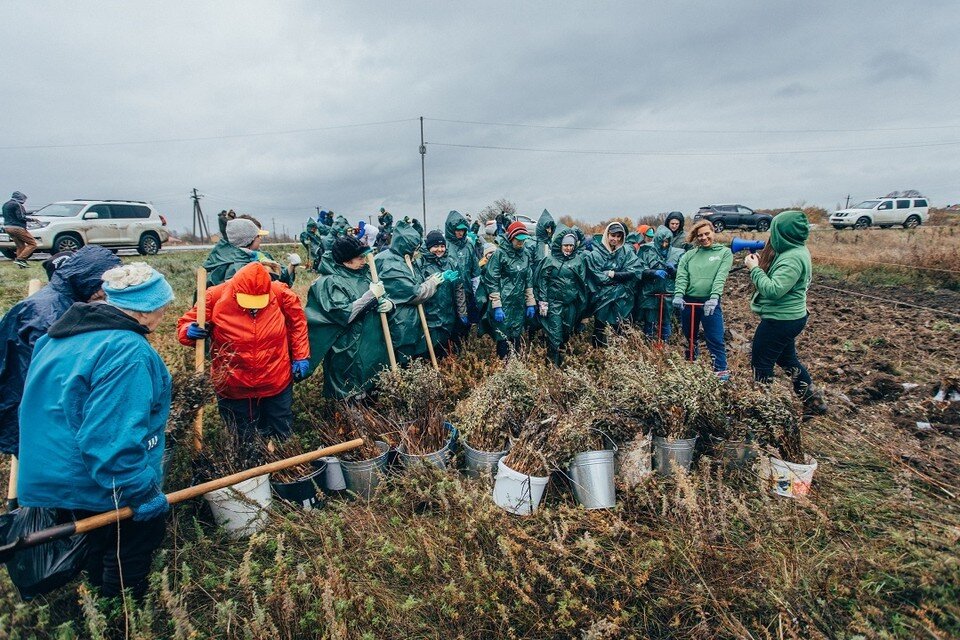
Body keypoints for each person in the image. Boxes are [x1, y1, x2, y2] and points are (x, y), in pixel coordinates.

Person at [17, 263, 174, 598]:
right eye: (162, 307)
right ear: (145, 310)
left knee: (97, 546)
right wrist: (140, 491)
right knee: (128, 551)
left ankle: (98, 594)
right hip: (98, 482)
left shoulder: (59, 336)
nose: (164, 315)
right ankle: (122, 617)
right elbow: (110, 440)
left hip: (54, 473)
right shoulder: (127, 352)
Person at [0, 246, 121, 462]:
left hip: (26, 405)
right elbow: (53, 376)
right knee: (44, 466)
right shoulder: (51, 315)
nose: (106, 294)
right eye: (104, 287)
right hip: (36, 412)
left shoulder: (59, 300)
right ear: (88, 280)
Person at [178, 262, 309, 441]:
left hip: (274, 379)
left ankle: (282, 463)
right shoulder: (214, 296)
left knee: (281, 432)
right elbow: (185, 324)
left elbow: (297, 325)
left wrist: (301, 355)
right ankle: (250, 464)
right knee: (242, 437)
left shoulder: (281, 294)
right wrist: (188, 331)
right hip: (233, 384)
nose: (253, 308)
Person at [744, 210, 826, 416]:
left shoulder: (792, 258)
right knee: (788, 360)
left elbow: (773, 290)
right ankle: (813, 403)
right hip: (790, 317)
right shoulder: (795, 251)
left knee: (761, 364)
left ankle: (763, 411)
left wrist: (754, 268)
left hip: (780, 320)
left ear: (784, 232)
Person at [305, 236, 394, 399]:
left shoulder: (366, 273)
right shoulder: (329, 282)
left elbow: (383, 296)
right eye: (360, 257)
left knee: (373, 390)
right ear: (346, 261)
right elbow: (343, 313)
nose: (364, 260)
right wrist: (371, 296)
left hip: (372, 345)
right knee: (351, 393)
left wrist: (389, 304)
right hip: (349, 350)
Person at [375, 221, 451, 363]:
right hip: (400, 320)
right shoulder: (394, 266)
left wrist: (431, 279)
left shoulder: (403, 258)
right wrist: (433, 282)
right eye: (415, 248)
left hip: (409, 319)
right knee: (403, 359)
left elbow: (415, 281)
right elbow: (415, 293)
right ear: (406, 246)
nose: (417, 252)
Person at [673, 220, 733, 377]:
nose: (704, 238)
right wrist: (679, 294)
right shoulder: (689, 255)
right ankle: (691, 364)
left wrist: (714, 298)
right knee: (690, 336)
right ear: (695, 237)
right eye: (700, 235)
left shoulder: (724, 253)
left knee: (714, 337)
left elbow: (720, 277)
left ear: (713, 232)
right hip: (689, 301)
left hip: (710, 302)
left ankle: (720, 369)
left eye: (707, 234)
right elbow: (682, 276)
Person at [535, 225, 588, 365]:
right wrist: (543, 302)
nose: (568, 248)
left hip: (570, 304)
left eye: (571, 245)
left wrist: (581, 305)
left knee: (566, 332)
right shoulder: (550, 260)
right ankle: (553, 365)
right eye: (566, 245)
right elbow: (542, 281)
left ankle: (562, 361)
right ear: (560, 244)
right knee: (555, 333)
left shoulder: (578, 261)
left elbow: (581, 283)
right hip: (554, 303)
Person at [482, 221, 535, 358]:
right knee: (503, 337)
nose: (521, 243)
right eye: (518, 240)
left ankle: (515, 367)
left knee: (516, 336)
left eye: (523, 240)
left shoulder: (526, 254)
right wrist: (497, 305)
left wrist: (530, 303)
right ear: (511, 237)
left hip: (518, 303)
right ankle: (503, 366)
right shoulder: (499, 254)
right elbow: (491, 280)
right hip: (504, 303)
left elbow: (528, 279)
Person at [585, 222, 638, 347]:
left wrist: (613, 274)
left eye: (619, 236)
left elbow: (633, 271)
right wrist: (620, 278)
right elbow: (597, 277)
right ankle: (598, 354)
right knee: (600, 327)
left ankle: (617, 356)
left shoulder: (626, 252)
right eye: (613, 235)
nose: (615, 239)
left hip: (622, 297)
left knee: (620, 328)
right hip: (602, 297)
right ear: (607, 235)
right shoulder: (596, 254)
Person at [203, 217, 297, 287]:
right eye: (258, 236)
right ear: (249, 239)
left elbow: (279, 278)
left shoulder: (258, 256)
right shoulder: (234, 267)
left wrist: (291, 266)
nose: (260, 239)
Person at [417, 230, 467, 358]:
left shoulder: (451, 263)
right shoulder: (421, 264)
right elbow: (418, 289)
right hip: (430, 317)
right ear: (428, 247)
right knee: (432, 352)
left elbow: (459, 289)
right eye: (435, 246)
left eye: (442, 246)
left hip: (449, 316)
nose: (439, 249)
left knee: (451, 352)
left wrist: (462, 312)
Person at [636, 225, 684, 341]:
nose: (664, 245)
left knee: (666, 321)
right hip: (650, 293)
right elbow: (638, 270)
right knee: (650, 321)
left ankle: (665, 344)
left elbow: (684, 275)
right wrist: (653, 272)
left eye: (667, 242)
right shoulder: (646, 250)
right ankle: (648, 344)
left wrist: (674, 271)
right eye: (661, 242)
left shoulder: (678, 253)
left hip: (668, 292)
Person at [444, 211, 481, 340]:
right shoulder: (445, 246)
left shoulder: (469, 245)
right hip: (450, 292)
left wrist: (476, 289)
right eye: (458, 230)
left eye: (463, 230)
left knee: (466, 323)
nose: (460, 233)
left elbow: (475, 268)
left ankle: (464, 346)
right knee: (453, 324)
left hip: (467, 291)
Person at [2, 191, 37, 268]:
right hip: (17, 228)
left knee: (20, 246)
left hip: (8, 227)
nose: (24, 201)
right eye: (24, 199)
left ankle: (21, 265)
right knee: (32, 244)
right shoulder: (17, 205)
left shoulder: (6, 204)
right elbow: (21, 217)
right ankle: (21, 259)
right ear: (20, 198)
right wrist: (32, 219)